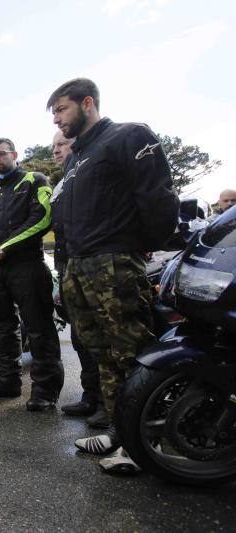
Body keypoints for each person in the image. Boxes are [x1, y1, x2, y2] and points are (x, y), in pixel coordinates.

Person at [47, 78, 179, 472]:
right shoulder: (75, 159)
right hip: (78, 266)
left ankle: (151, 444)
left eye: (62, 109)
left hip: (114, 263)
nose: (58, 119)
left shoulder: (128, 136)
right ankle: (122, 432)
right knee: (102, 354)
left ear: (88, 103)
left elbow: (157, 196)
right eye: (54, 113)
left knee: (132, 352)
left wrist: (143, 244)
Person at [0, 138, 64, 412]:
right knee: (2, 328)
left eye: (1, 154)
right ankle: (7, 381)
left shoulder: (35, 180)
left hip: (27, 266)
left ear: (14, 154)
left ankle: (45, 391)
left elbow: (42, 217)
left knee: (39, 328)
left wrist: (3, 248)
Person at [51, 130, 106, 427]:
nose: (57, 150)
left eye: (62, 144)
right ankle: (90, 396)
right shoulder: (62, 183)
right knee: (80, 337)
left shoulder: (90, 172)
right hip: (68, 268)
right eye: (54, 146)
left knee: (102, 340)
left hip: (94, 266)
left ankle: (108, 406)